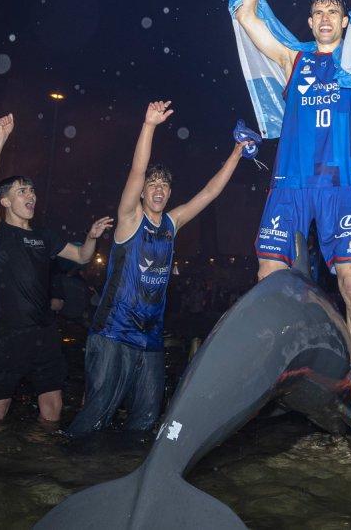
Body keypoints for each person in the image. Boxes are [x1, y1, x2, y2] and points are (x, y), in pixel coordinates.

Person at [230, 0, 351, 434]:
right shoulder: (293, 61)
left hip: (341, 188)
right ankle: (270, 367)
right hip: (289, 186)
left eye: (332, 13)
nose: (322, 19)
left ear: (345, 22)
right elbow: (246, 14)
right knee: (267, 276)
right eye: (315, 13)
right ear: (310, 22)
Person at [65, 101, 246, 439]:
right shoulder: (129, 219)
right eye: (153, 184)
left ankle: (130, 477)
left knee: (147, 421)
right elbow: (136, 170)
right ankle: (73, 474)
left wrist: (237, 152)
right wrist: (149, 126)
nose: (158, 189)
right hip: (112, 334)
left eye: (164, 184)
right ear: (143, 193)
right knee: (95, 417)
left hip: (149, 338)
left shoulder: (172, 224)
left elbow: (210, 192)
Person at [0, 114, 113, 424]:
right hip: (7, 334)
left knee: (52, 408)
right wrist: (0, 137)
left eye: (32, 191)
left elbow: (80, 256)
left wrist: (91, 239)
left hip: (45, 334)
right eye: (22, 191)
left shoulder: (45, 236)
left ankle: (42, 462)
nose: (31, 196)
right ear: (5, 202)